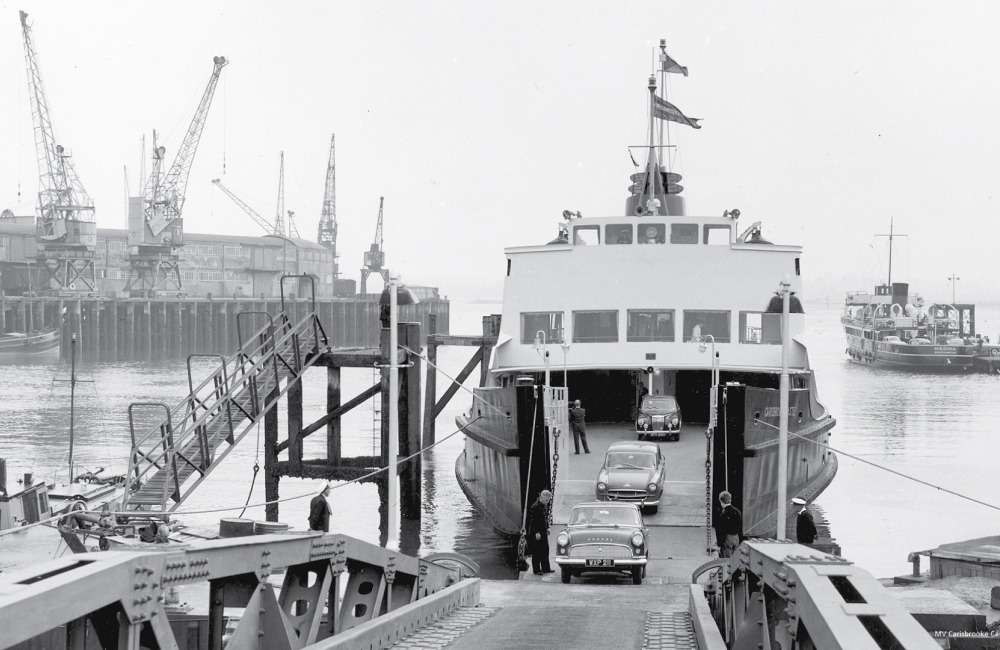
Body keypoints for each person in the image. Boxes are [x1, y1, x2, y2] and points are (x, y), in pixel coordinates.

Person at [527, 490, 553, 575]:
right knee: (537, 551)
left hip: (543, 531)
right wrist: (536, 532)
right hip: (537, 532)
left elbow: (545, 519)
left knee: (545, 550)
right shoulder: (535, 507)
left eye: (548, 500)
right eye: (546, 500)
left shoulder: (544, 506)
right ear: (541, 498)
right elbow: (533, 522)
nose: (547, 502)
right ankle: (536, 570)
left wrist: (548, 528)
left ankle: (546, 568)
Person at [715, 491, 742, 558]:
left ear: (721, 501)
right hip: (736, 538)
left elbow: (722, 531)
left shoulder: (724, 514)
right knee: (735, 559)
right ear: (730, 500)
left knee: (726, 560)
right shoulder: (737, 511)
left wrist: (719, 544)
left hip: (728, 539)